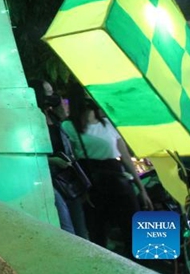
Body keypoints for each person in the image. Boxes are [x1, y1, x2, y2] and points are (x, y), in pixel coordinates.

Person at [62, 83, 153, 256]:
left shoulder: (107, 124)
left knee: (133, 229)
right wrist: (83, 191)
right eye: (88, 94)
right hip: (93, 184)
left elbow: (125, 156)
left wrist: (141, 189)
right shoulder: (68, 127)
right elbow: (71, 161)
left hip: (118, 180)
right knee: (98, 234)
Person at [27, 79, 87, 239]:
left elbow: (65, 122)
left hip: (67, 176)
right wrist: (53, 160)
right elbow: (30, 153)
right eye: (48, 92)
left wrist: (59, 105)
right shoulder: (32, 119)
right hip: (49, 178)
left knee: (79, 222)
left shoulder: (53, 116)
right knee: (65, 223)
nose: (52, 96)